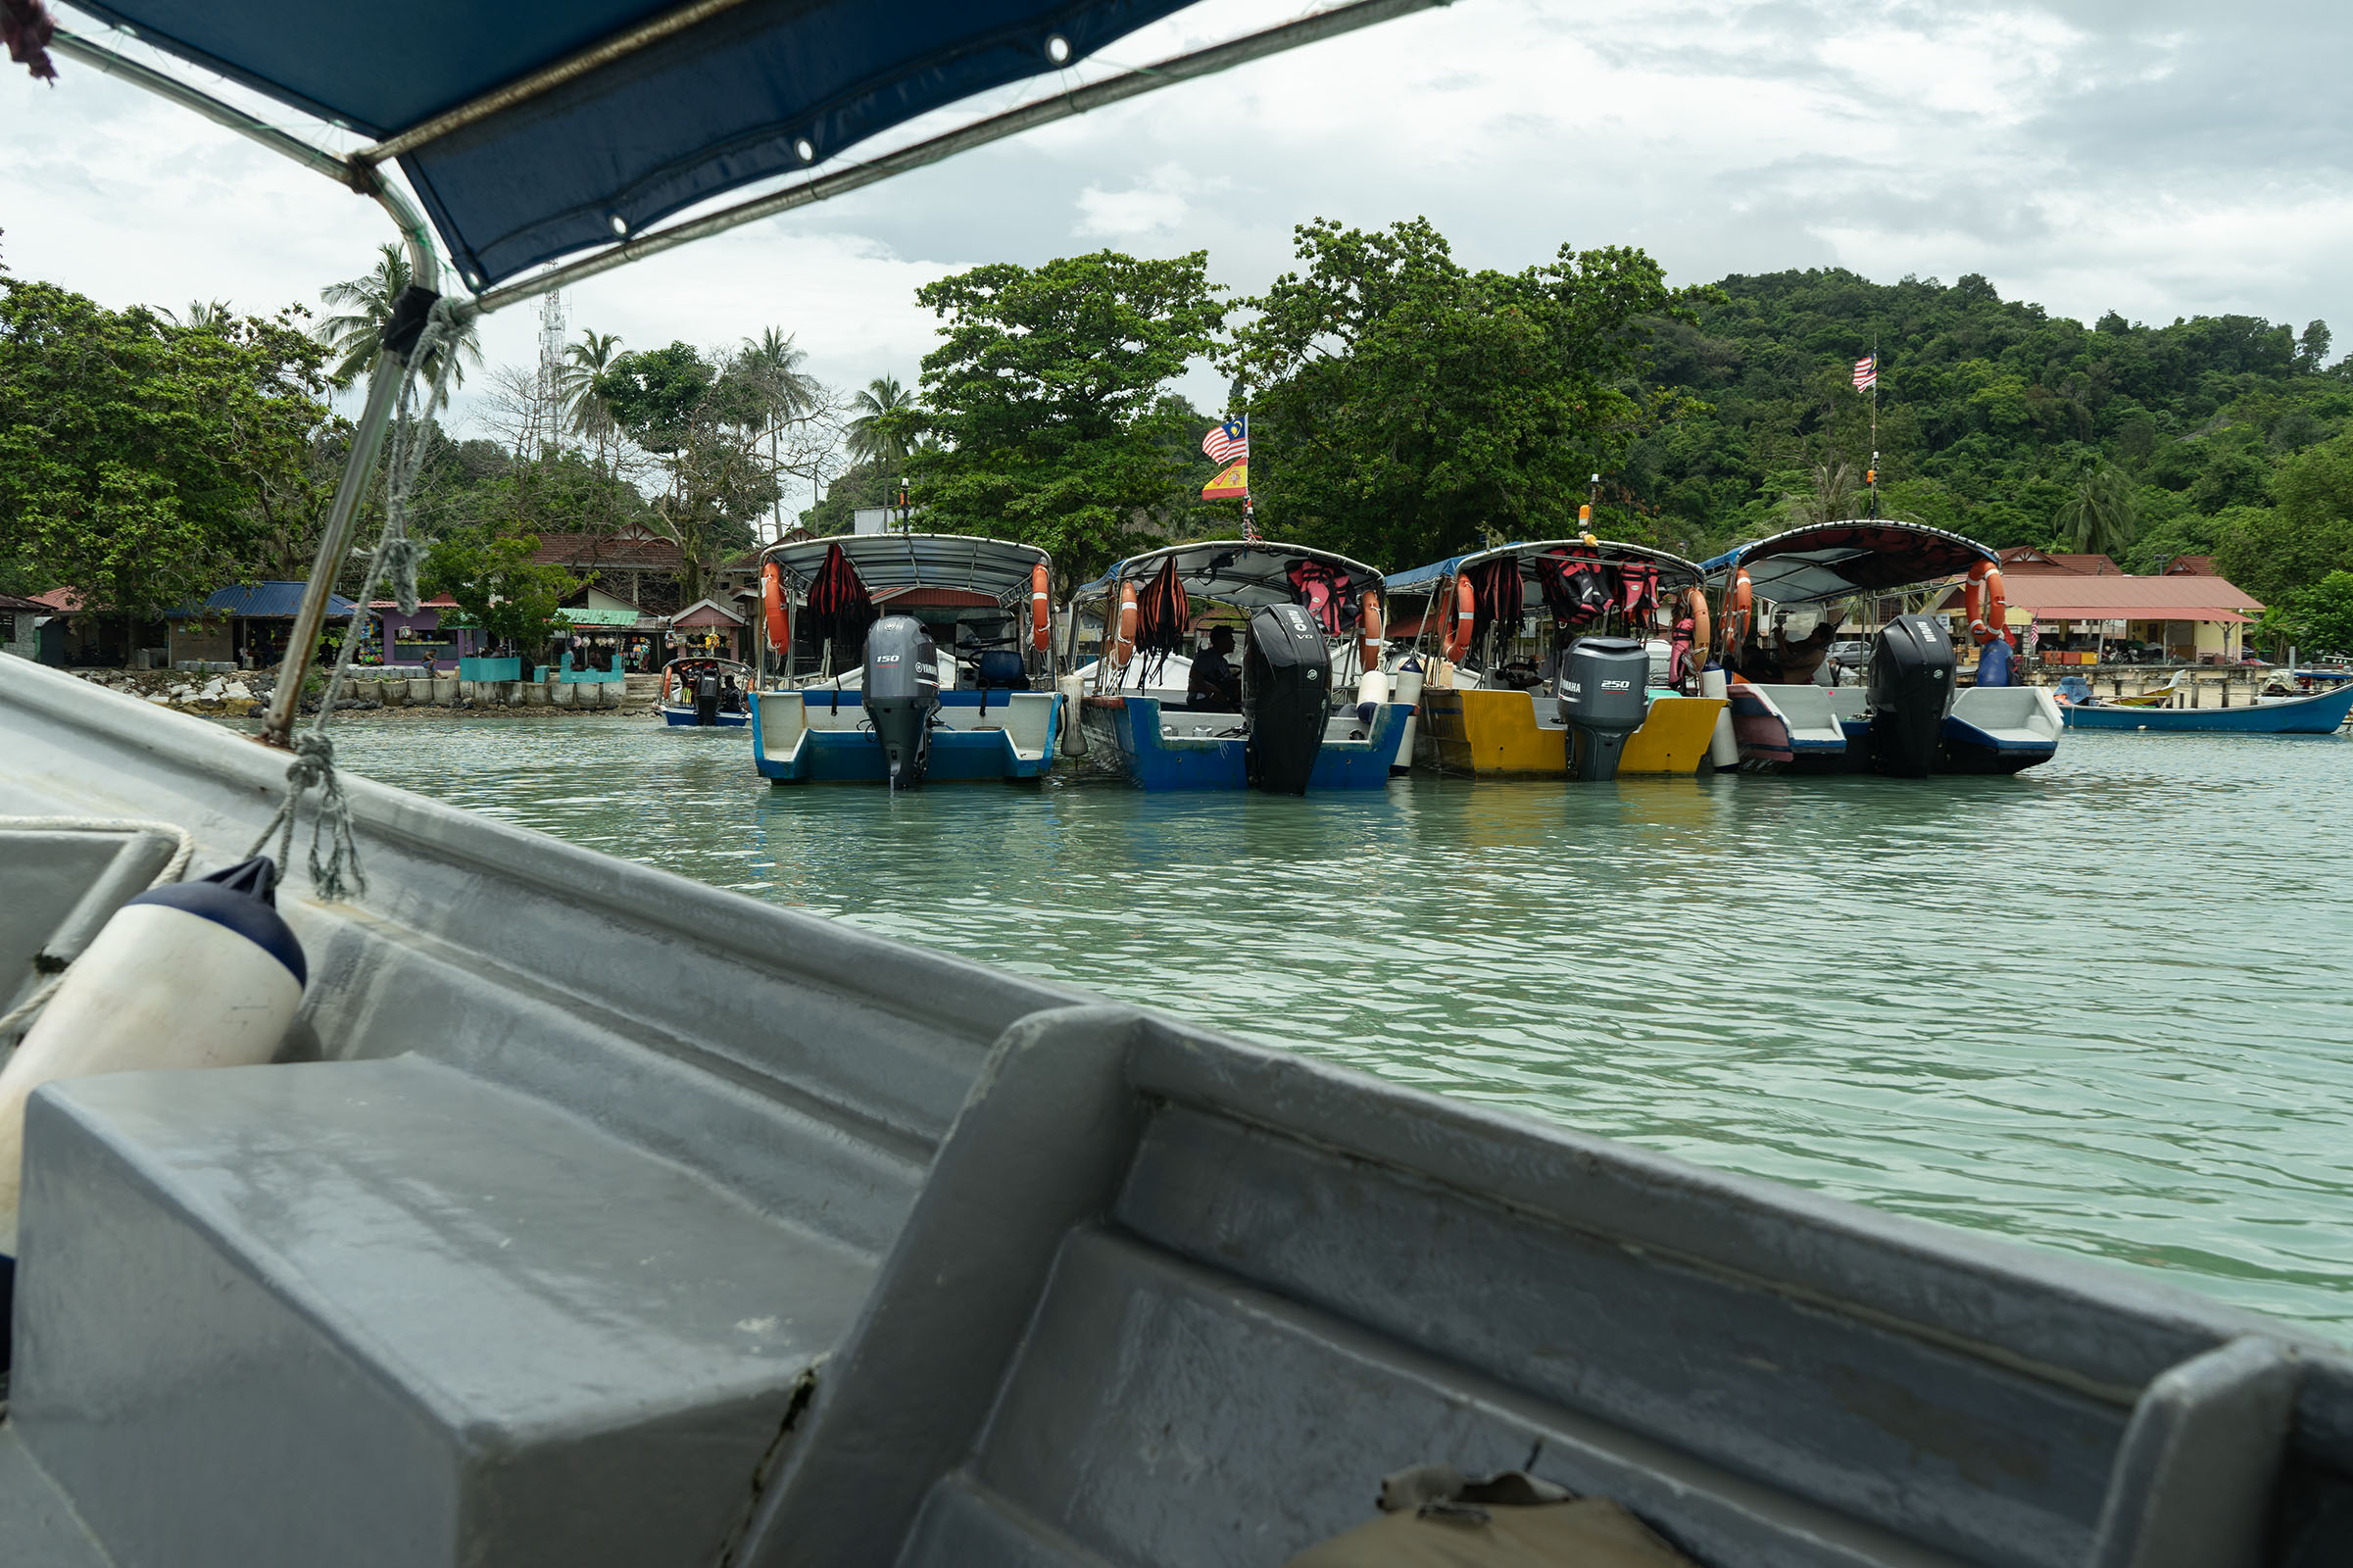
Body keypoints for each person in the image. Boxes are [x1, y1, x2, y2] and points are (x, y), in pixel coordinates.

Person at [1187, 626, 1242, 710]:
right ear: (1221, 640)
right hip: (1203, 699)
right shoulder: (1207, 658)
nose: (1234, 642)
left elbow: (1228, 681)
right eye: (1230, 639)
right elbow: (1195, 678)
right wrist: (1212, 694)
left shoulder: (1222, 661)